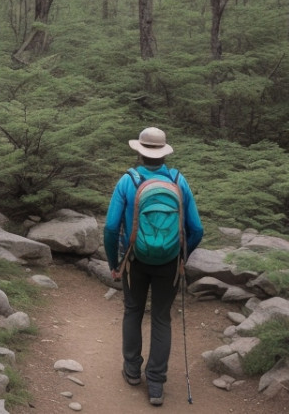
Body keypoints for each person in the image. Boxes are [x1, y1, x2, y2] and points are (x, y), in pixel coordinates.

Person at [104, 127, 203, 406]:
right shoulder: (177, 180)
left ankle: (132, 371)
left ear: (139, 150)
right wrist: (182, 257)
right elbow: (196, 229)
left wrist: (115, 263)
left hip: (135, 261)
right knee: (161, 317)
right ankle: (156, 384)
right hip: (170, 262)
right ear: (163, 152)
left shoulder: (128, 181)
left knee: (133, 311)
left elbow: (111, 228)